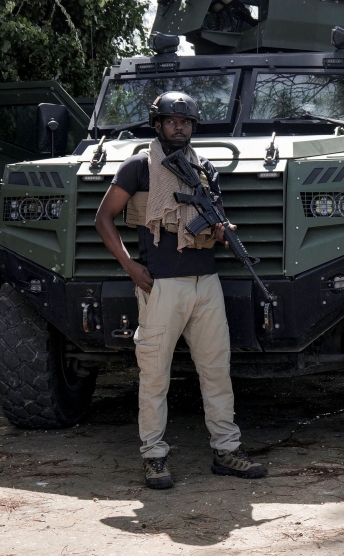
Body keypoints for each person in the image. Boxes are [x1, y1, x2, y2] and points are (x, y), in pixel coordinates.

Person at [95, 92, 266, 490]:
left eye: (186, 122)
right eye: (171, 121)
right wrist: (131, 266)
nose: (179, 127)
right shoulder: (140, 166)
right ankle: (154, 456)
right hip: (161, 284)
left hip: (205, 282)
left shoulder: (203, 168)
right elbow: (104, 218)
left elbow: (214, 216)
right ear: (157, 125)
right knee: (155, 376)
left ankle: (226, 450)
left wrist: (224, 232)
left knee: (216, 372)